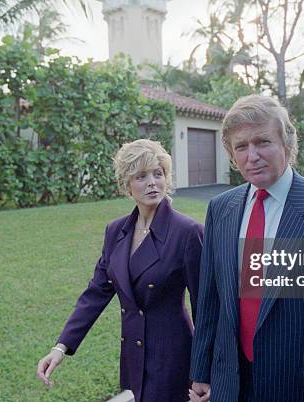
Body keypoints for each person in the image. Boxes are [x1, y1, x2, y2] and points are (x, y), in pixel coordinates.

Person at [189, 95, 304, 402]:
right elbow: (211, 299)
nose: (252, 156)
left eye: (263, 141)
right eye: (241, 146)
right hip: (231, 387)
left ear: (287, 144)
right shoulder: (220, 209)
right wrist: (201, 371)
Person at [37, 139, 203, 402]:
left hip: (173, 357)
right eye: (141, 176)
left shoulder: (187, 232)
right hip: (134, 354)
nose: (152, 182)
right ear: (127, 186)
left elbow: (204, 307)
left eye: (158, 174)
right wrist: (61, 347)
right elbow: (96, 292)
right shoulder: (115, 231)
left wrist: (203, 372)